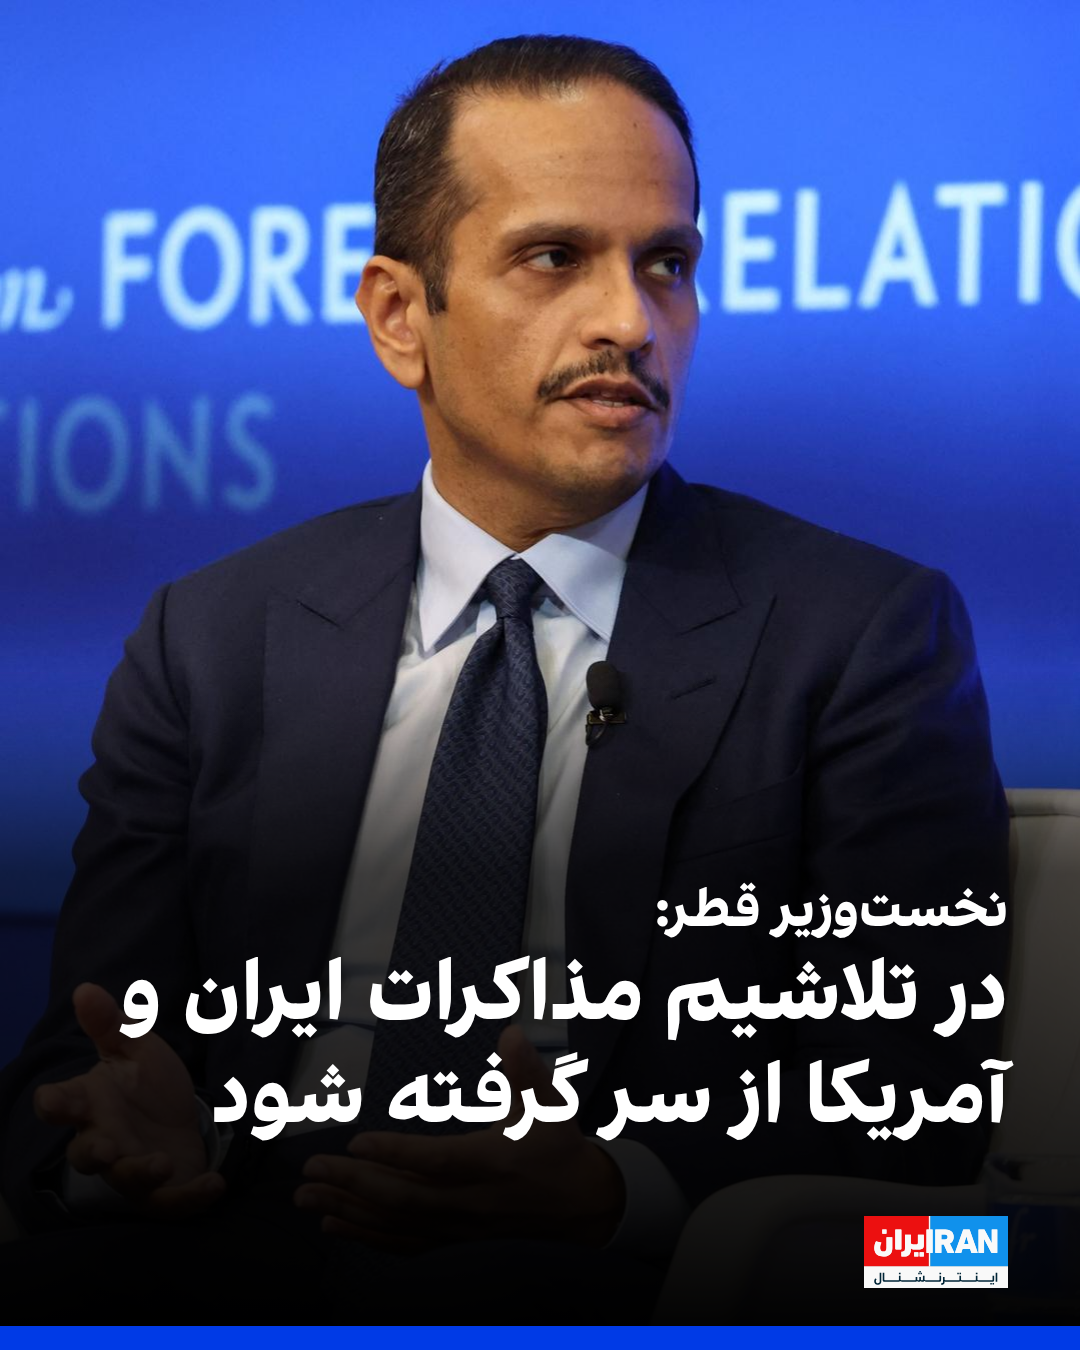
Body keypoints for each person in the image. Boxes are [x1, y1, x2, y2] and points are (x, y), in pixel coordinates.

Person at [0, 35, 1008, 1319]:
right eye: (554, 258)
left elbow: (920, 1111)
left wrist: (622, 1192)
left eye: (668, 263)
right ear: (399, 318)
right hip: (229, 1250)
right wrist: (114, 1150)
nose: (630, 321)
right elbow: (82, 1053)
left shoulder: (861, 635)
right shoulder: (209, 639)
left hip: (619, 1283)